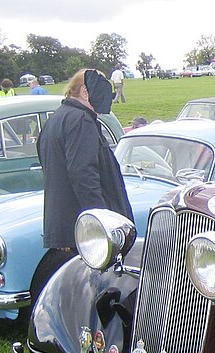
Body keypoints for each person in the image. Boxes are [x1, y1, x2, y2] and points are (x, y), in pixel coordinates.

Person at [36, 68, 133, 285]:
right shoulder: (81, 120)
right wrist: (101, 225)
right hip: (86, 236)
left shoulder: (55, 120)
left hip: (66, 228)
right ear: (85, 92)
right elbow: (83, 175)